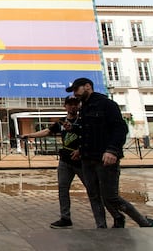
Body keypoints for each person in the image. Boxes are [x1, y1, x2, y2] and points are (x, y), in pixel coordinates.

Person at [20, 96, 124, 229]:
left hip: (82, 162)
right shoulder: (62, 122)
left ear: (79, 105)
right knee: (63, 189)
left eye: (75, 104)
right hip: (65, 161)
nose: (73, 107)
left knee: (95, 192)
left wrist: (80, 150)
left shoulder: (84, 121)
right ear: (65, 106)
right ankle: (65, 217)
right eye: (70, 104)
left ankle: (114, 217)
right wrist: (29, 135)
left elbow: (92, 137)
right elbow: (47, 131)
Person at [67, 77, 153, 228]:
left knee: (111, 197)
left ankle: (143, 222)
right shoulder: (84, 107)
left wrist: (112, 150)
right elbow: (89, 132)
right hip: (87, 158)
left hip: (104, 159)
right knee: (93, 195)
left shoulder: (106, 104)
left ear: (87, 86)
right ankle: (101, 226)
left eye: (76, 89)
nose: (75, 94)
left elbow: (120, 129)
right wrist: (79, 146)